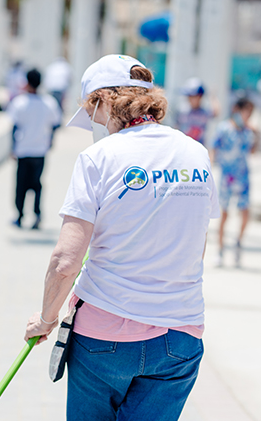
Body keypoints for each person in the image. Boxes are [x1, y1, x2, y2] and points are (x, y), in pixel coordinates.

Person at [24, 55, 219, 421]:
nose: (97, 124)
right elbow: (198, 243)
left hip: (104, 334)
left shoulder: (99, 157)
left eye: (93, 114)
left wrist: (46, 319)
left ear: (102, 101)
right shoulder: (196, 153)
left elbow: (66, 260)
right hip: (180, 334)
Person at [7, 68, 61, 229]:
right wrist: (51, 141)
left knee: (21, 185)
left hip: (23, 149)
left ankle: (19, 215)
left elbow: (14, 127)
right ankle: (37, 214)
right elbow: (55, 124)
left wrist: (12, 148)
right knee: (37, 184)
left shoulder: (19, 102)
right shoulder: (49, 102)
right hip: (40, 150)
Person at [212, 96, 259, 267]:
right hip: (227, 176)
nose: (249, 115)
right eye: (247, 111)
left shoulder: (248, 131)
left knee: (245, 212)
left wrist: (256, 133)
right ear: (237, 111)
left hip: (243, 176)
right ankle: (220, 250)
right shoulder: (224, 128)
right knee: (224, 213)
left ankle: (238, 243)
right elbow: (214, 147)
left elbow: (253, 151)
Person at [175, 77, 219, 145]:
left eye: (191, 96)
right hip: (184, 148)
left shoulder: (204, 113)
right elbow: (176, 128)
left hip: (199, 148)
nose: (188, 99)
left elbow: (216, 112)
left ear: (199, 97)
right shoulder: (182, 112)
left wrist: (212, 97)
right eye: (188, 96)